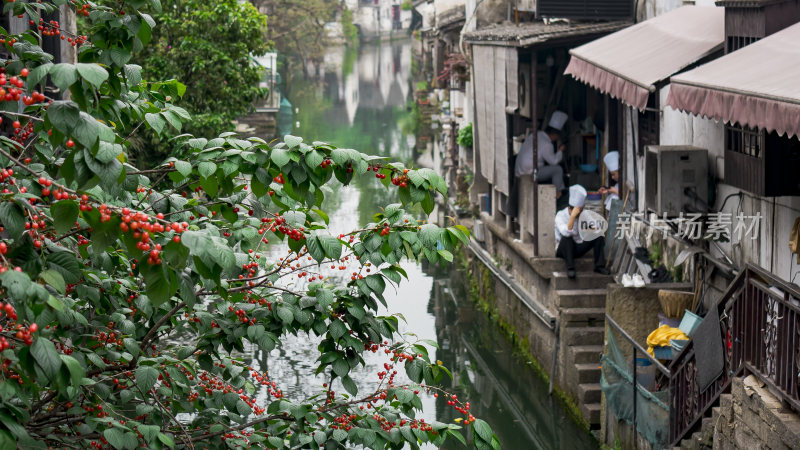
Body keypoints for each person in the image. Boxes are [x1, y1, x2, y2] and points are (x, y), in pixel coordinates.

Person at [555, 185, 610, 278]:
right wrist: (572, 217)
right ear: (569, 209)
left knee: (598, 236)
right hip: (564, 249)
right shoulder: (560, 215)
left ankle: (599, 266)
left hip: (578, 246)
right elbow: (566, 232)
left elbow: (596, 227)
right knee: (567, 238)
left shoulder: (583, 213)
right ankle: (570, 268)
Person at [536, 110, 568, 199]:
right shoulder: (547, 143)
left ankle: (561, 192)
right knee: (557, 169)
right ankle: (558, 195)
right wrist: (560, 151)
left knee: (556, 170)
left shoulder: (538, 135)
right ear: (554, 134)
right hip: (531, 172)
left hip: (525, 169)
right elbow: (553, 162)